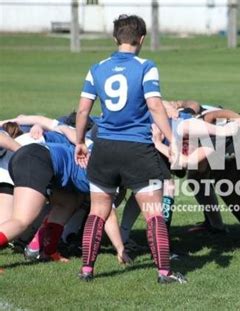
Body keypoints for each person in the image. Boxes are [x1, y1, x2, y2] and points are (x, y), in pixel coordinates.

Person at [74, 14, 186, 284]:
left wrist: (79, 141)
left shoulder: (96, 68)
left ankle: (87, 270)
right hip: (138, 150)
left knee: (97, 212)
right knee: (154, 213)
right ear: (142, 39)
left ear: (115, 39)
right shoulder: (146, 66)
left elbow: (83, 109)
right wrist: (172, 140)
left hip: (105, 147)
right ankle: (164, 272)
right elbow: (156, 106)